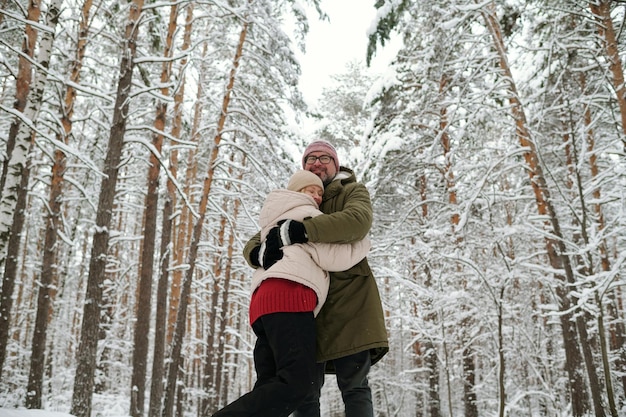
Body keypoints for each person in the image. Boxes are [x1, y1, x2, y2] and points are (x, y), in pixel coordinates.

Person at [243, 140, 389, 417]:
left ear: (336, 164)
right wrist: (258, 252)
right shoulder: (297, 198)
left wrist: (301, 231)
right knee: (305, 390)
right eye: (311, 159)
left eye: (325, 158)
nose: (317, 163)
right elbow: (257, 239)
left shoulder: (351, 191)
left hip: (350, 304)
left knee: (355, 386)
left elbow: (357, 221)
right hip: (305, 306)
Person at [213, 170, 371, 417]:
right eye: (310, 191)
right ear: (296, 192)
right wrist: (363, 242)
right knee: (299, 383)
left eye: (319, 192)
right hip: (290, 297)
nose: (317, 197)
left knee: (270, 384)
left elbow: (253, 248)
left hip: (262, 306)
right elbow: (334, 257)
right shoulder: (306, 216)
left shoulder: (273, 219)